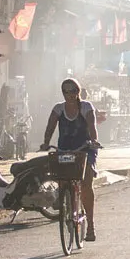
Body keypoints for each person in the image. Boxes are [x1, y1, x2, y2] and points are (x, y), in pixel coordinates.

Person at [41, 78, 101, 242]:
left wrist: (94, 140)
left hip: (84, 149)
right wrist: (46, 142)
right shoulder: (58, 109)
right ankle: (66, 202)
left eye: (72, 91)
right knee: (62, 179)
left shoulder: (86, 107)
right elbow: (50, 126)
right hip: (65, 149)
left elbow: (92, 126)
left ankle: (90, 225)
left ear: (78, 92)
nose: (69, 94)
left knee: (86, 183)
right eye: (65, 91)